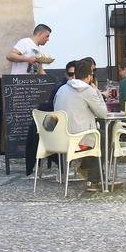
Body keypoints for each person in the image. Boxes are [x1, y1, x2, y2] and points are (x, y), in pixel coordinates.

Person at [52, 59, 107, 190]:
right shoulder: (87, 90)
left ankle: (94, 174)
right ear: (89, 76)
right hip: (78, 141)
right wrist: (97, 91)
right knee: (103, 138)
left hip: (59, 139)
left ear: (75, 75)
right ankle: (94, 179)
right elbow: (103, 114)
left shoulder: (62, 89)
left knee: (98, 136)